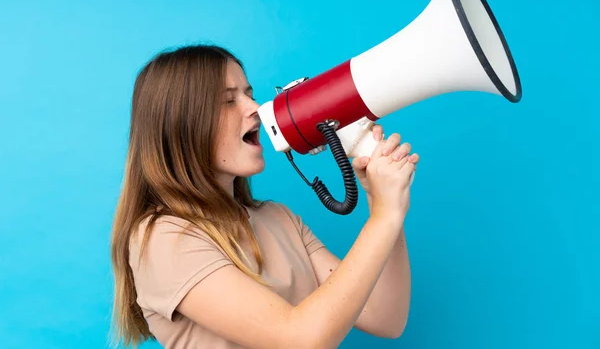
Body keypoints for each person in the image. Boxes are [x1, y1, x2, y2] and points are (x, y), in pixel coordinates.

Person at [110, 44, 420, 349]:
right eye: (228, 101)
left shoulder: (278, 219)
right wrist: (384, 217)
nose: (255, 108)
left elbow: (386, 319)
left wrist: (383, 203)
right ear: (181, 125)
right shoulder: (164, 239)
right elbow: (300, 339)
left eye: (248, 93)